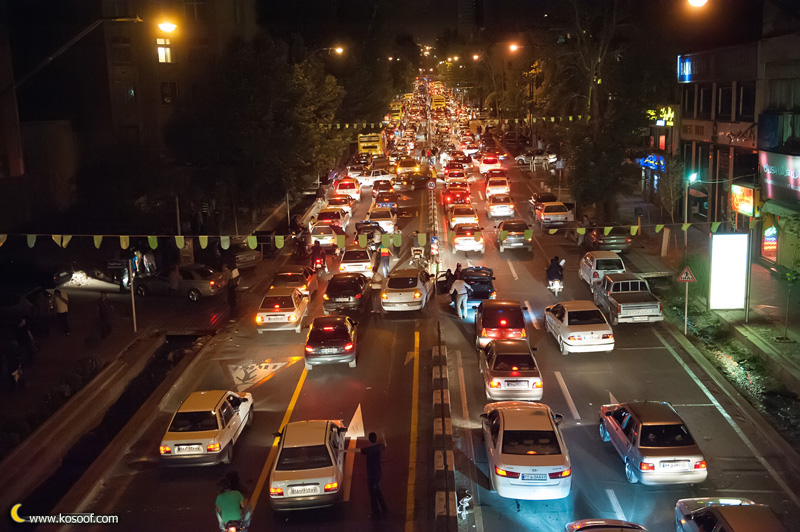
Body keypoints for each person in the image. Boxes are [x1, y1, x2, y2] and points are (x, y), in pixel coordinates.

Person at [345, 432, 388, 519]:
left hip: (371, 475)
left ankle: (375, 513)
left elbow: (356, 450)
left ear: (369, 439)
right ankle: (384, 509)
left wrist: (344, 451)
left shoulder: (368, 450)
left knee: (372, 494)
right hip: (378, 474)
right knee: (378, 491)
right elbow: (385, 445)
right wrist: (383, 437)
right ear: (375, 439)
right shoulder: (379, 447)